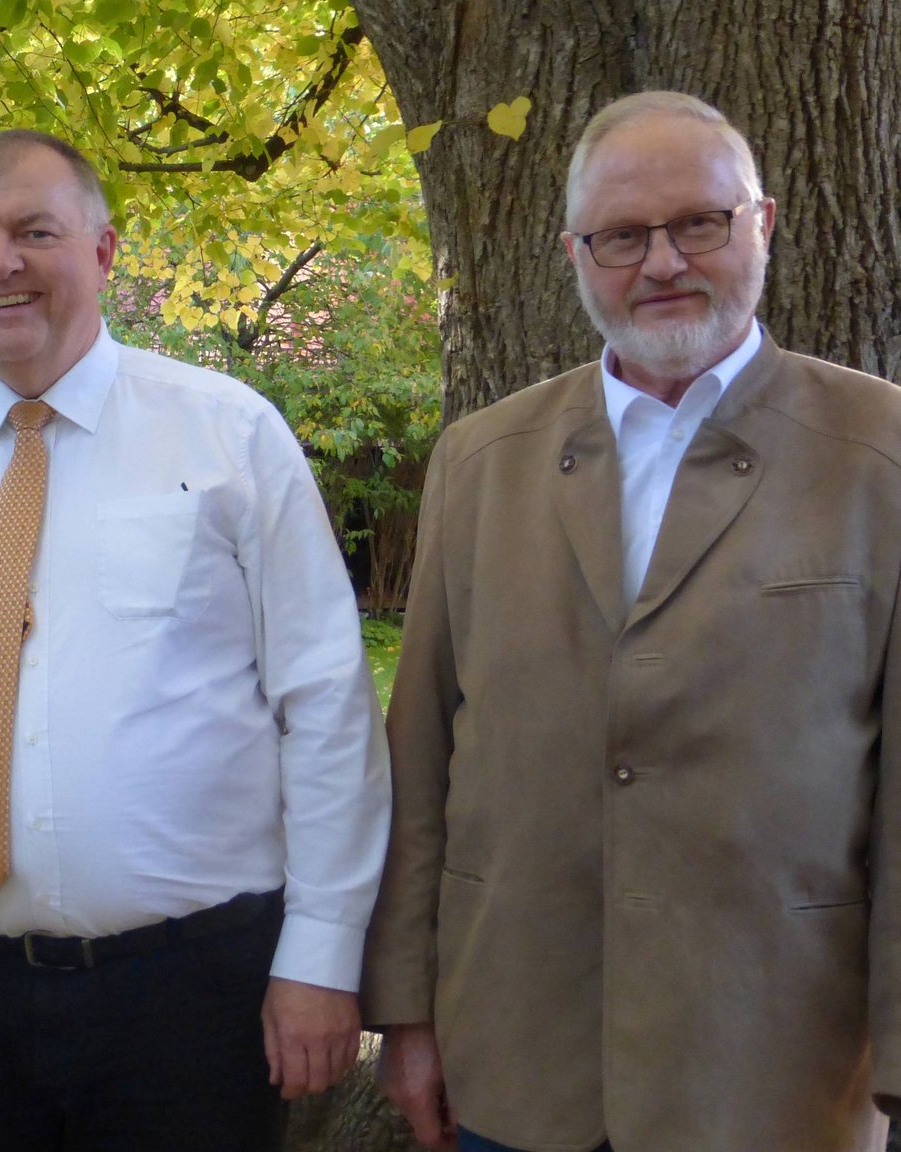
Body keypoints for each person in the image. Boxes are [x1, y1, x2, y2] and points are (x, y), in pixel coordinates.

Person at [0, 128, 390, 1150]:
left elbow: (323, 705)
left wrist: (319, 956)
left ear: (102, 253)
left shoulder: (226, 437)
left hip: (189, 995)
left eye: (33, 232)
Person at [364, 90, 901, 1152]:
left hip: (771, 1069)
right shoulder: (477, 462)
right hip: (516, 1057)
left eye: (699, 222)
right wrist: (406, 1014)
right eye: (621, 235)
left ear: (765, 224)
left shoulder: (878, 453)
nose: (660, 263)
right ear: (573, 253)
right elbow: (417, 757)